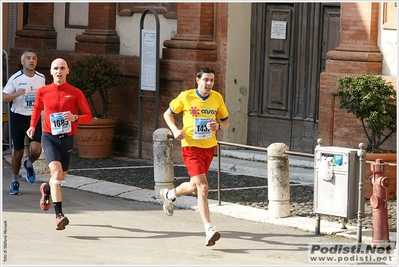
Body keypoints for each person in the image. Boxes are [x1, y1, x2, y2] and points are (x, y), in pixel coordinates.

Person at [161, 66, 229, 246]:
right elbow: (167, 114)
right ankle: (209, 229)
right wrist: (175, 130)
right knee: (203, 187)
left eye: (212, 80)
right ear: (197, 80)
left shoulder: (217, 98)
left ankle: (169, 194)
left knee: (193, 188)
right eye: (206, 80)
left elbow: (226, 121)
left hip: (209, 147)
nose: (209, 84)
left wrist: (219, 127)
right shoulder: (186, 96)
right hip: (190, 147)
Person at [26, 58, 92, 230]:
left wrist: (75, 117)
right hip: (49, 138)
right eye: (56, 68)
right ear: (51, 71)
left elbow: (89, 116)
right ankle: (59, 215)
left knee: (60, 176)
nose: (59, 71)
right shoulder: (43, 91)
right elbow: (36, 109)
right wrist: (33, 126)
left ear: (67, 71)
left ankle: (46, 190)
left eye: (62, 68)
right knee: (56, 171)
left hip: (67, 139)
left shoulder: (75, 93)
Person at [2, 50, 46, 195]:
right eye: (28, 58)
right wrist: (16, 94)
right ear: (22, 62)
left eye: (34, 58)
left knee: (36, 150)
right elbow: (3, 97)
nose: (31, 61)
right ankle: (15, 181)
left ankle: (28, 164)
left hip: (34, 118)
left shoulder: (41, 78)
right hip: (18, 118)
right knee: (18, 153)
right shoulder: (15, 78)